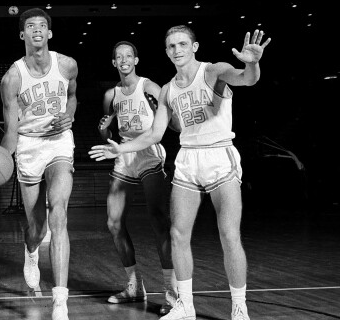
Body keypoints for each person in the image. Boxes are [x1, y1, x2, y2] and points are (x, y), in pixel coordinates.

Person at [90, 26, 271, 320]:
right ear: (166, 51)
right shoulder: (168, 90)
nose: (177, 50)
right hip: (188, 158)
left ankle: (239, 306)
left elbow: (246, 79)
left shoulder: (213, 71)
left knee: (228, 234)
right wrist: (119, 150)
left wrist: (252, 62)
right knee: (177, 233)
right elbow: (154, 134)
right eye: (171, 46)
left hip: (219, 153)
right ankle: (184, 305)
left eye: (182, 44)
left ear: (195, 46)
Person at [0, 8, 78, 320]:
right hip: (29, 144)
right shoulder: (12, 78)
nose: (36, 31)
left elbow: (72, 96)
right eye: (30, 26)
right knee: (37, 227)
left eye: (42, 26)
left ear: (49, 33)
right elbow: (11, 131)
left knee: (59, 211)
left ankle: (60, 300)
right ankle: (31, 252)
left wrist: (70, 112)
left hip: (60, 142)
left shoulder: (67, 64)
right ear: (23, 35)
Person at [97, 41, 177, 315]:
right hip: (124, 154)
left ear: (136, 59)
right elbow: (108, 137)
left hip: (149, 152)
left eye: (128, 55)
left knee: (158, 219)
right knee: (113, 221)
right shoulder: (111, 95)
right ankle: (133, 286)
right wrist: (105, 131)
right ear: (114, 63)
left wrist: (160, 110)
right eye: (118, 57)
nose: (123, 60)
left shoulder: (149, 86)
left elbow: (172, 123)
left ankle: (172, 292)